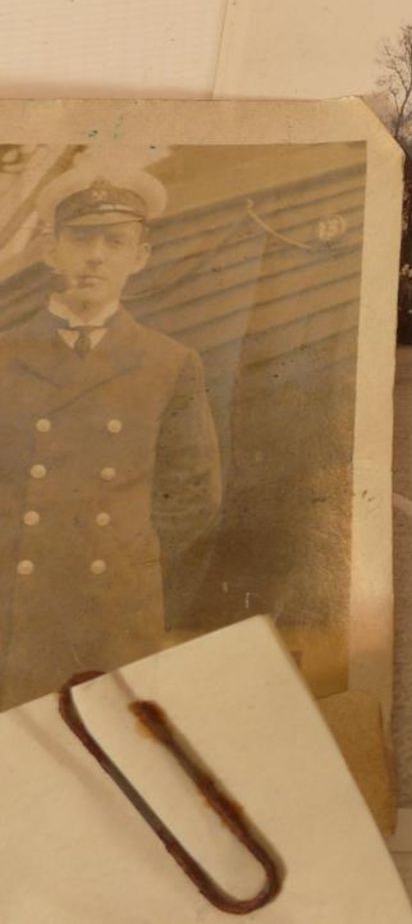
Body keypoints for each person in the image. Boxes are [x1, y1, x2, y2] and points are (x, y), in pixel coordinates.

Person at [0, 167, 223, 709]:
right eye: (80, 239)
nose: (95, 256)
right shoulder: (6, 355)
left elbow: (194, 494)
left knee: (114, 759)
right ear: (52, 250)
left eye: (114, 241)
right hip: (15, 605)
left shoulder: (169, 363)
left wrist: (126, 559)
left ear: (139, 257)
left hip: (116, 610)